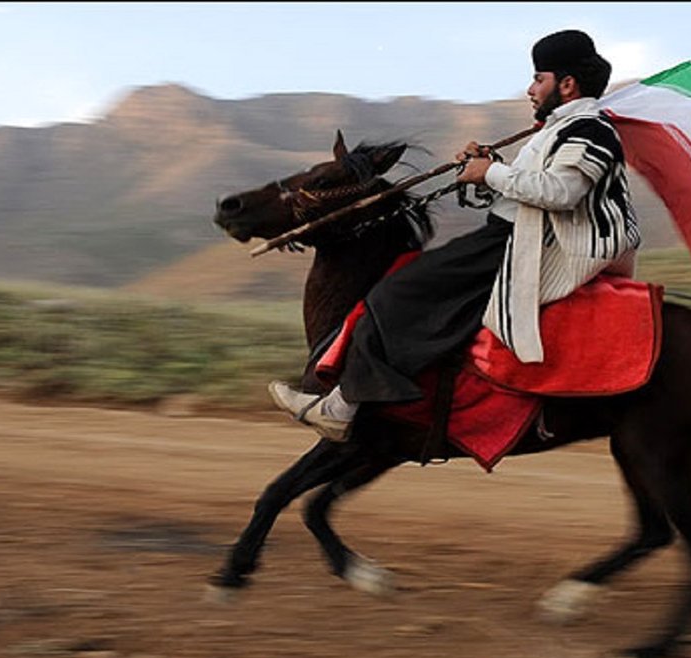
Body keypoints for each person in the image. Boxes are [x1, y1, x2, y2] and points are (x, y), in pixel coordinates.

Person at [269, 29, 641, 442]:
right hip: (511, 233)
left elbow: (561, 193)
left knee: (397, 294)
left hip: (533, 246)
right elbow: (530, 188)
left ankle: (344, 406)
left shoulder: (590, 130)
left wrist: (492, 172)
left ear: (567, 84)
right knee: (406, 286)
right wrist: (486, 171)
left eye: (539, 79)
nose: (531, 89)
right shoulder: (560, 128)